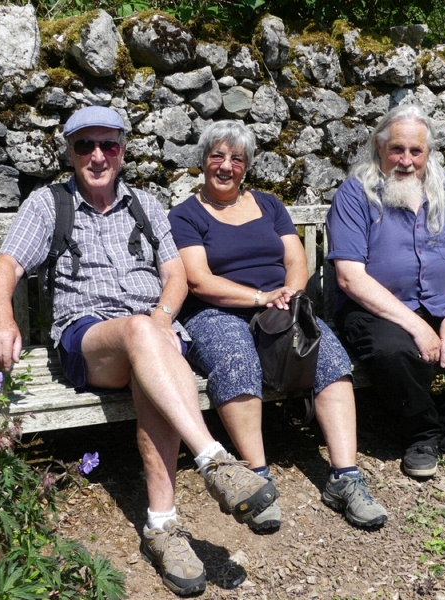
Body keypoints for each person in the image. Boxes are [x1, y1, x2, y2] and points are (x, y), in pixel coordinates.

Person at [0, 106, 280, 597]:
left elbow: (175, 274)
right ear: (71, 152)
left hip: (151, 340)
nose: (98, 156)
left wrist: (161, 320)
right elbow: (8, 262)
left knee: (151, 353)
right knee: (145, 335)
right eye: (85, 146)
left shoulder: (145, 203)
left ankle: (163, 527)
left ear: (122, 151)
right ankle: (215, 460)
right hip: (88, 338)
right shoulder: (48, 204)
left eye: (109, 146)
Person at [168, 120, 388, 532]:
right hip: (214, 312)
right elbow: (198, 279)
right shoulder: (185, 215)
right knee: (237, 361)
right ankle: (257, 478)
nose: (226, 166)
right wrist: (257, 298)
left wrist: (288, 293)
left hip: (278, 305)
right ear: (202, 161)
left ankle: (346, 478)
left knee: (331, 358)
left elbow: (295, 260)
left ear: (247, 166)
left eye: (236, 158)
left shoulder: (269, 204)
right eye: (217, 156)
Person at [327, 104, 445, 479]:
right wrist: (417, 327)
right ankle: (420, 434)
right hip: (378, 308)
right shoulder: (355, 194)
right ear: (379, 147)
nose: (406, 160)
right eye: (397, 149)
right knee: (395, 350)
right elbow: (349, 276)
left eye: (416, 151)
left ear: (428, 152)